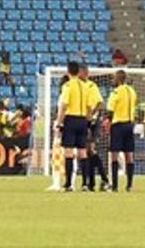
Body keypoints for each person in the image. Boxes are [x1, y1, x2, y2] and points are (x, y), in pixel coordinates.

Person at [53, 61, 93, 192]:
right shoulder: (85, 86)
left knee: (68, 152)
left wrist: (59, 122)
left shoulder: (67, 86)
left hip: (71, 119)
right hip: (82, 120)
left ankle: (69, 184)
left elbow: (64, 106)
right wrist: (88, 121)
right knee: (82, 152)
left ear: (68, 71)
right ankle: (85, 184)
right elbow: (89, 106)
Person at [106, 70, 138, 192]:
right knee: (129, 155)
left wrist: (108, 120)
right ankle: (129, 185)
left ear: (118, 79)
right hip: (129, 125)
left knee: (114, 155)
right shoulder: (132, 91)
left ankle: (114, 186)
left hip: (118, 125)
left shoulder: (115, 92)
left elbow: (110, 109)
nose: (112, 80)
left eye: (113, 78)